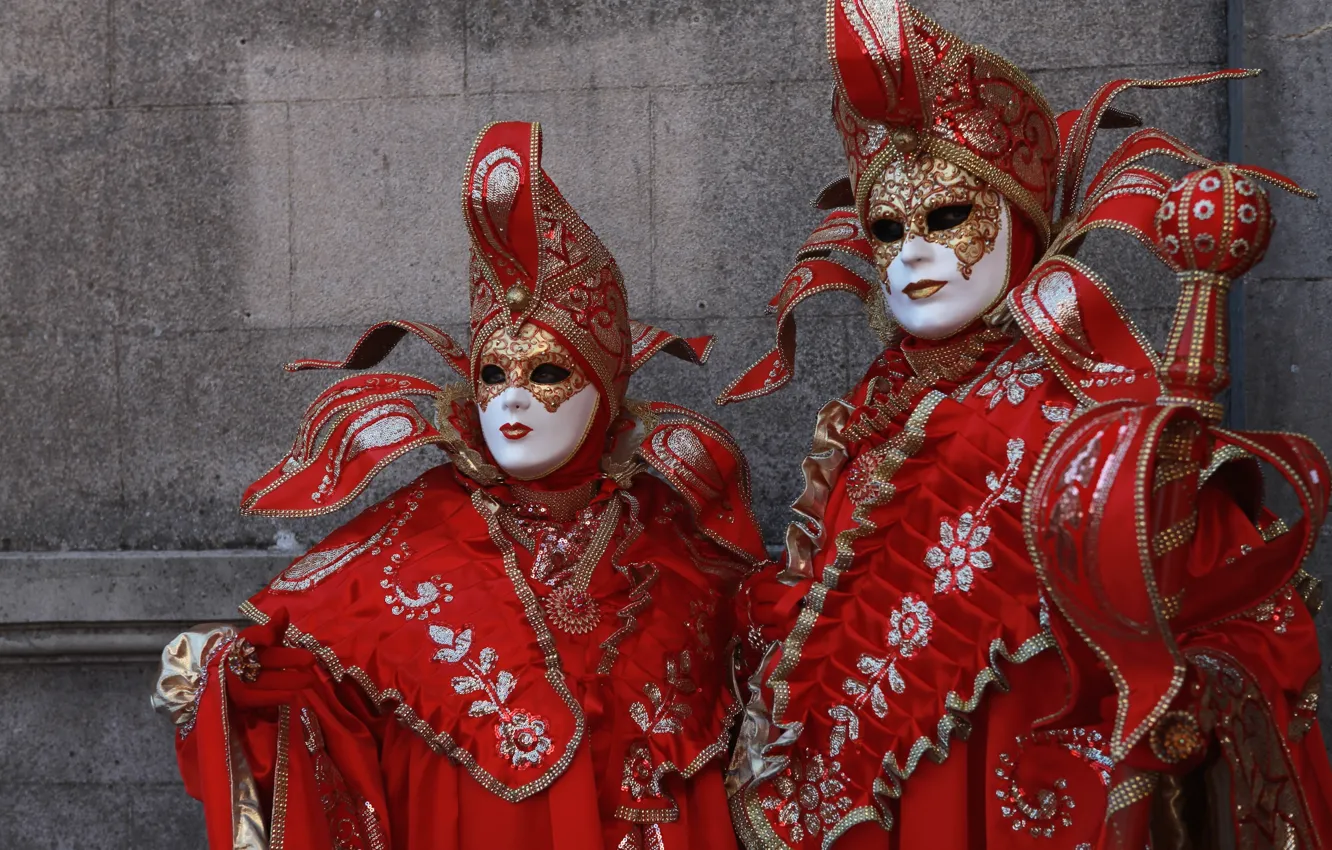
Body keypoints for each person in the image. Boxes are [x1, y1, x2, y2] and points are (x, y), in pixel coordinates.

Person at [721, 1, 1332, 846]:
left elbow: (1242, 617)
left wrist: (1192, 689)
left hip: (1036, 790)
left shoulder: (1098, 421)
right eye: (886, 230)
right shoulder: (866, 422)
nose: (910, 255)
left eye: (946, 219)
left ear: (1021, 222)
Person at [152, 120, 767, 850]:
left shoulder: (685, 551)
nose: (511, 400)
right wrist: (243, 681)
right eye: (493, 374)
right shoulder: (409, 541)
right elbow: (311, 695)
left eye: (546, 372)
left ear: (606, 388)